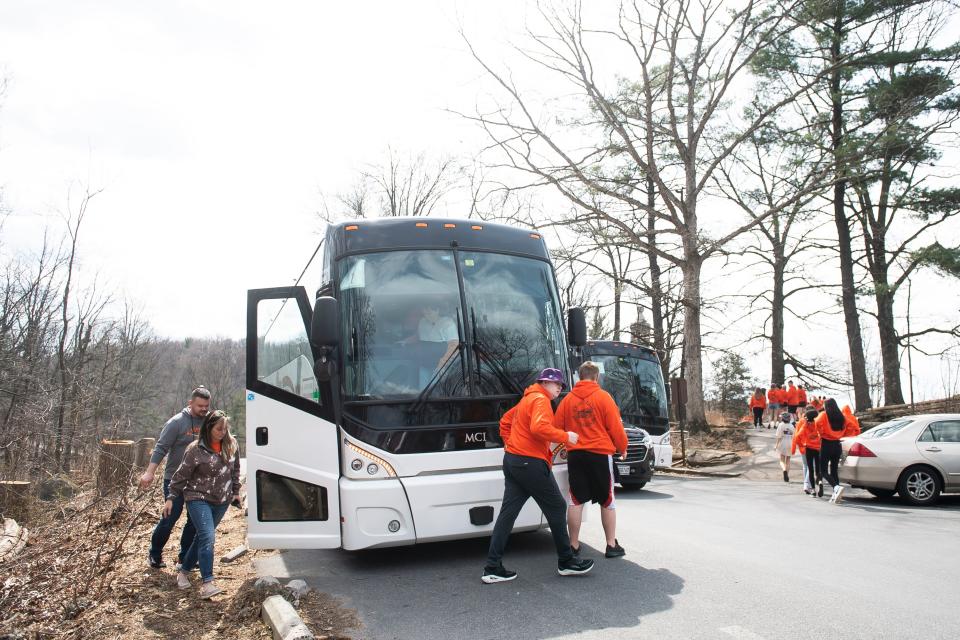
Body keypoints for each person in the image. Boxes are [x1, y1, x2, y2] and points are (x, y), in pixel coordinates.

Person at [481, 368, 595, 584]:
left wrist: (512, 444)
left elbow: (505, 421)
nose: (559, 387)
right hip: (530, 463)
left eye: (561, 384)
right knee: (557, 506)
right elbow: (539, 427)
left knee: (508, 514)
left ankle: (492, 567)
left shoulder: (528, 399)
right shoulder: (540, 400)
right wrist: (565, 436)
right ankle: (566, 561)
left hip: (514, 461)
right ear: (543, 383)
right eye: (555, 383)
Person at [555, 361, 629, 559]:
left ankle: (573, 545)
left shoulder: (567, 400)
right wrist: (622, 447)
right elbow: (615, 427)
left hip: (576, 455)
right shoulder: (604, 398)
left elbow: (556, 427)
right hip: (600, 454)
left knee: (576, 499)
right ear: (596, 377)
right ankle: (611, 545)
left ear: (579, 377)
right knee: (607, 500)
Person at [166, 409, 241, 598]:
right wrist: (170, 497)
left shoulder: (231, 445)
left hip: (221, 500)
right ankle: (207, 583)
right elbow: (181, 475)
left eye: (225, 429)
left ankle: (183, 572)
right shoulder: (195, 449)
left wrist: (236, 492)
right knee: (208, 536)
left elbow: (235, 471)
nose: (222, 432)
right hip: (197, 498)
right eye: (218, 429)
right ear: (209, 428)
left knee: (202, 538)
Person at [140, 386, 210, 569]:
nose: (203, 409)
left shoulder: (208, 422)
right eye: (200, 405)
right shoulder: (176, 422)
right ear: (190, 403)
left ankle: (185, 557)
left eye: (206, 406)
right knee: (171, 517)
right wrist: (150, 472)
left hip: (198, 481)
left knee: (194, 520)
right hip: (174, 479)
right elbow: (161, 447)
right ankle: (155, 554)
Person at [815, 398, 861, 504]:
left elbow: (816, 423)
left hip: (826, 444)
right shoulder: (842, 416)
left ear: (826, 406)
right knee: (834, 470)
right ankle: (836, 492)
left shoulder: (823, 415)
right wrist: (843, 434)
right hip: (837, 444)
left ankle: (836, 488)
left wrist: (821, 433)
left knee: (823, 471)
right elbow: (853, 427)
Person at [793, 408, 822, 496]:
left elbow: (797, 437)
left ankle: (811, 489)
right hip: (817, 448)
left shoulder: (804, 425)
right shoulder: (818, 424)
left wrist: (802, 444)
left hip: (808, 448)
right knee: (817, 469)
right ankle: (819, 482)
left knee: (808, 467)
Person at [774, 412, 796, 482]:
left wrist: (776, 445)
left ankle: (784, 470)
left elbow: (779, 436)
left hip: (783, 442)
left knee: (782, 460)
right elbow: (794, 435)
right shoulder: (792, 426)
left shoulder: (781, 425)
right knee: (788, 460)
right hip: (790, 443)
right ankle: (787, 474)